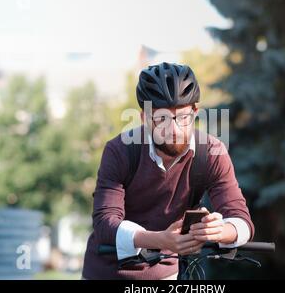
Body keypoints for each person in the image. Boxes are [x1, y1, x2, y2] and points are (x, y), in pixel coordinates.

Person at [81, 62, 255, 279]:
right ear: (145, 118)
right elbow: (105, 224)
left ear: (195, 112)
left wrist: (221, 231)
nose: (175, 129)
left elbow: (241, 220)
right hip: (107, 272)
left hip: (167, 273)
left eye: (183, 117)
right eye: (162, 118)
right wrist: (160, 239)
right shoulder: (120, 150)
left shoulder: (212, 152)